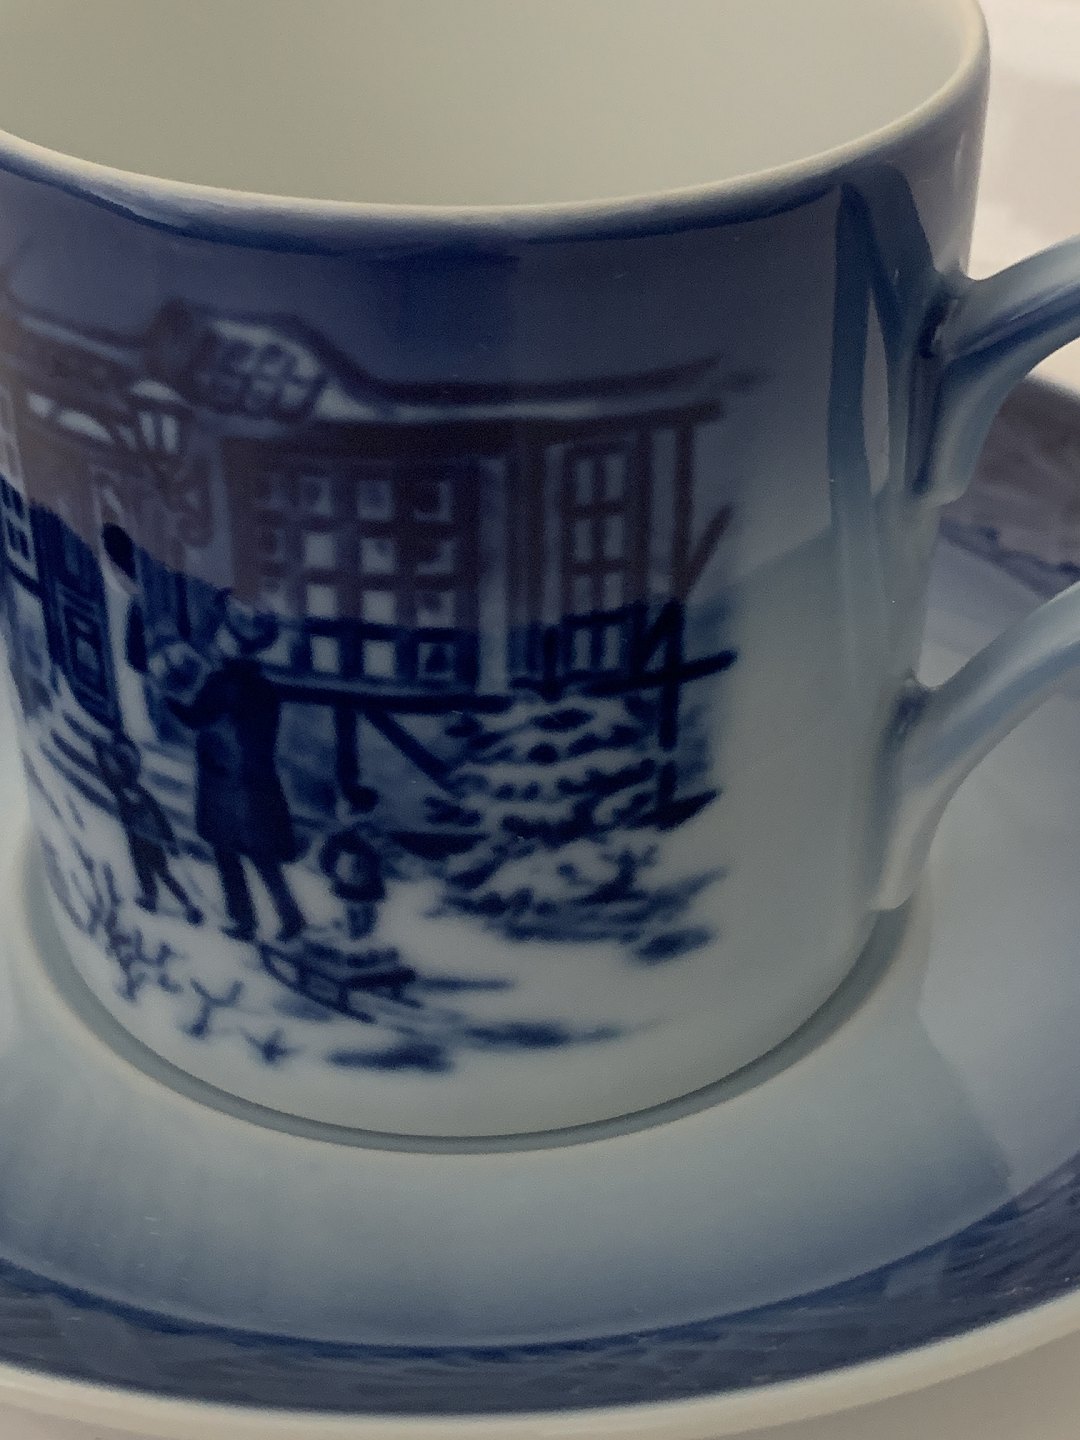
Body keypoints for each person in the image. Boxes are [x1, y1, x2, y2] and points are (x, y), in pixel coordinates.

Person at [164, 601, 304, 943]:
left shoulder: (221, 684)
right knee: (262, 854)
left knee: (226, 852)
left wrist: (169, 694)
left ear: (231, 643)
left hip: (223, 778)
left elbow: (195, 718)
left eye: (221, 635)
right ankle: (291, 917)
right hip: (257, 777)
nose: (215, 640)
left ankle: (244, 919)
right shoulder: (264, 688)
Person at [94, 733, 202, 923]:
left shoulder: (125, 789)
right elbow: (160, 818)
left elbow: (107, 775)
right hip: (145, 837)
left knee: (156, 871)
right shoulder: (137, 791)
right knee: (152, 871)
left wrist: (99, 752)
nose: (116, 770)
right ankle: (160, 900)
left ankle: (180, 903)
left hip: (145, 838)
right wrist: (169, 839)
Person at [318, 788, 385, 941]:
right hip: (359, 879)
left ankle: (358, 934)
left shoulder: (341, 837)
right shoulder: (370, 835)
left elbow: (328, 855)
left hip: (351, 878)